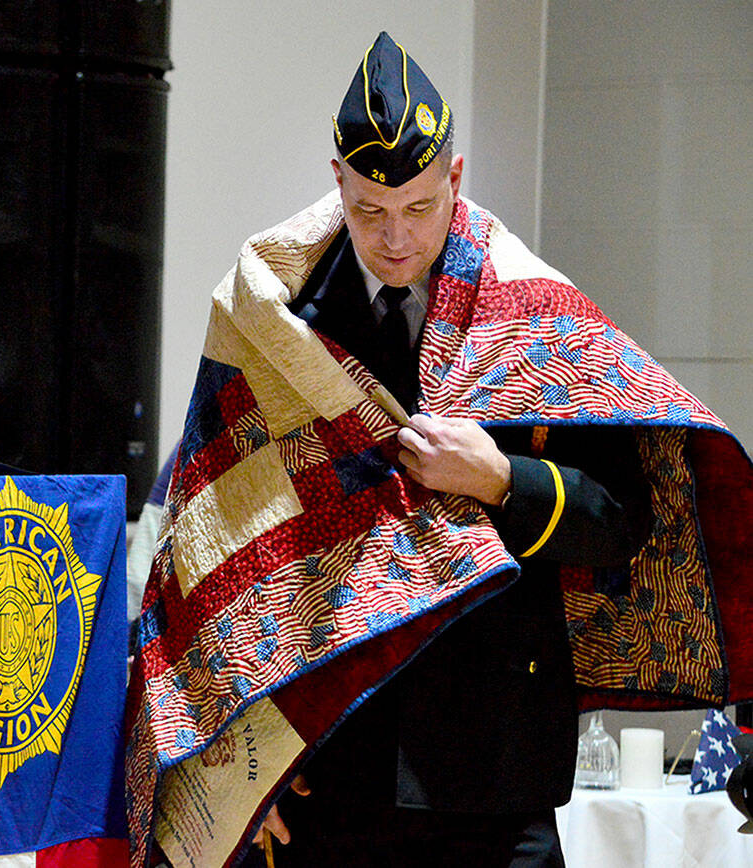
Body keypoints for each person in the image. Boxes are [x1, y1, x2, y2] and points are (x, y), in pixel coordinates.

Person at [125, 31, 753, 868]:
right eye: (370, 212)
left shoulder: (529, 311)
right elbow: (212, 548)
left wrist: (499, 478)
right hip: (331, 774)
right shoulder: (276, 322)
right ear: (337, 180)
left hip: (492, 776)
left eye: (420, 209)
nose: (394, 239)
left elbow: (618, 521)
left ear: (455, 179)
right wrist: (233, 770)